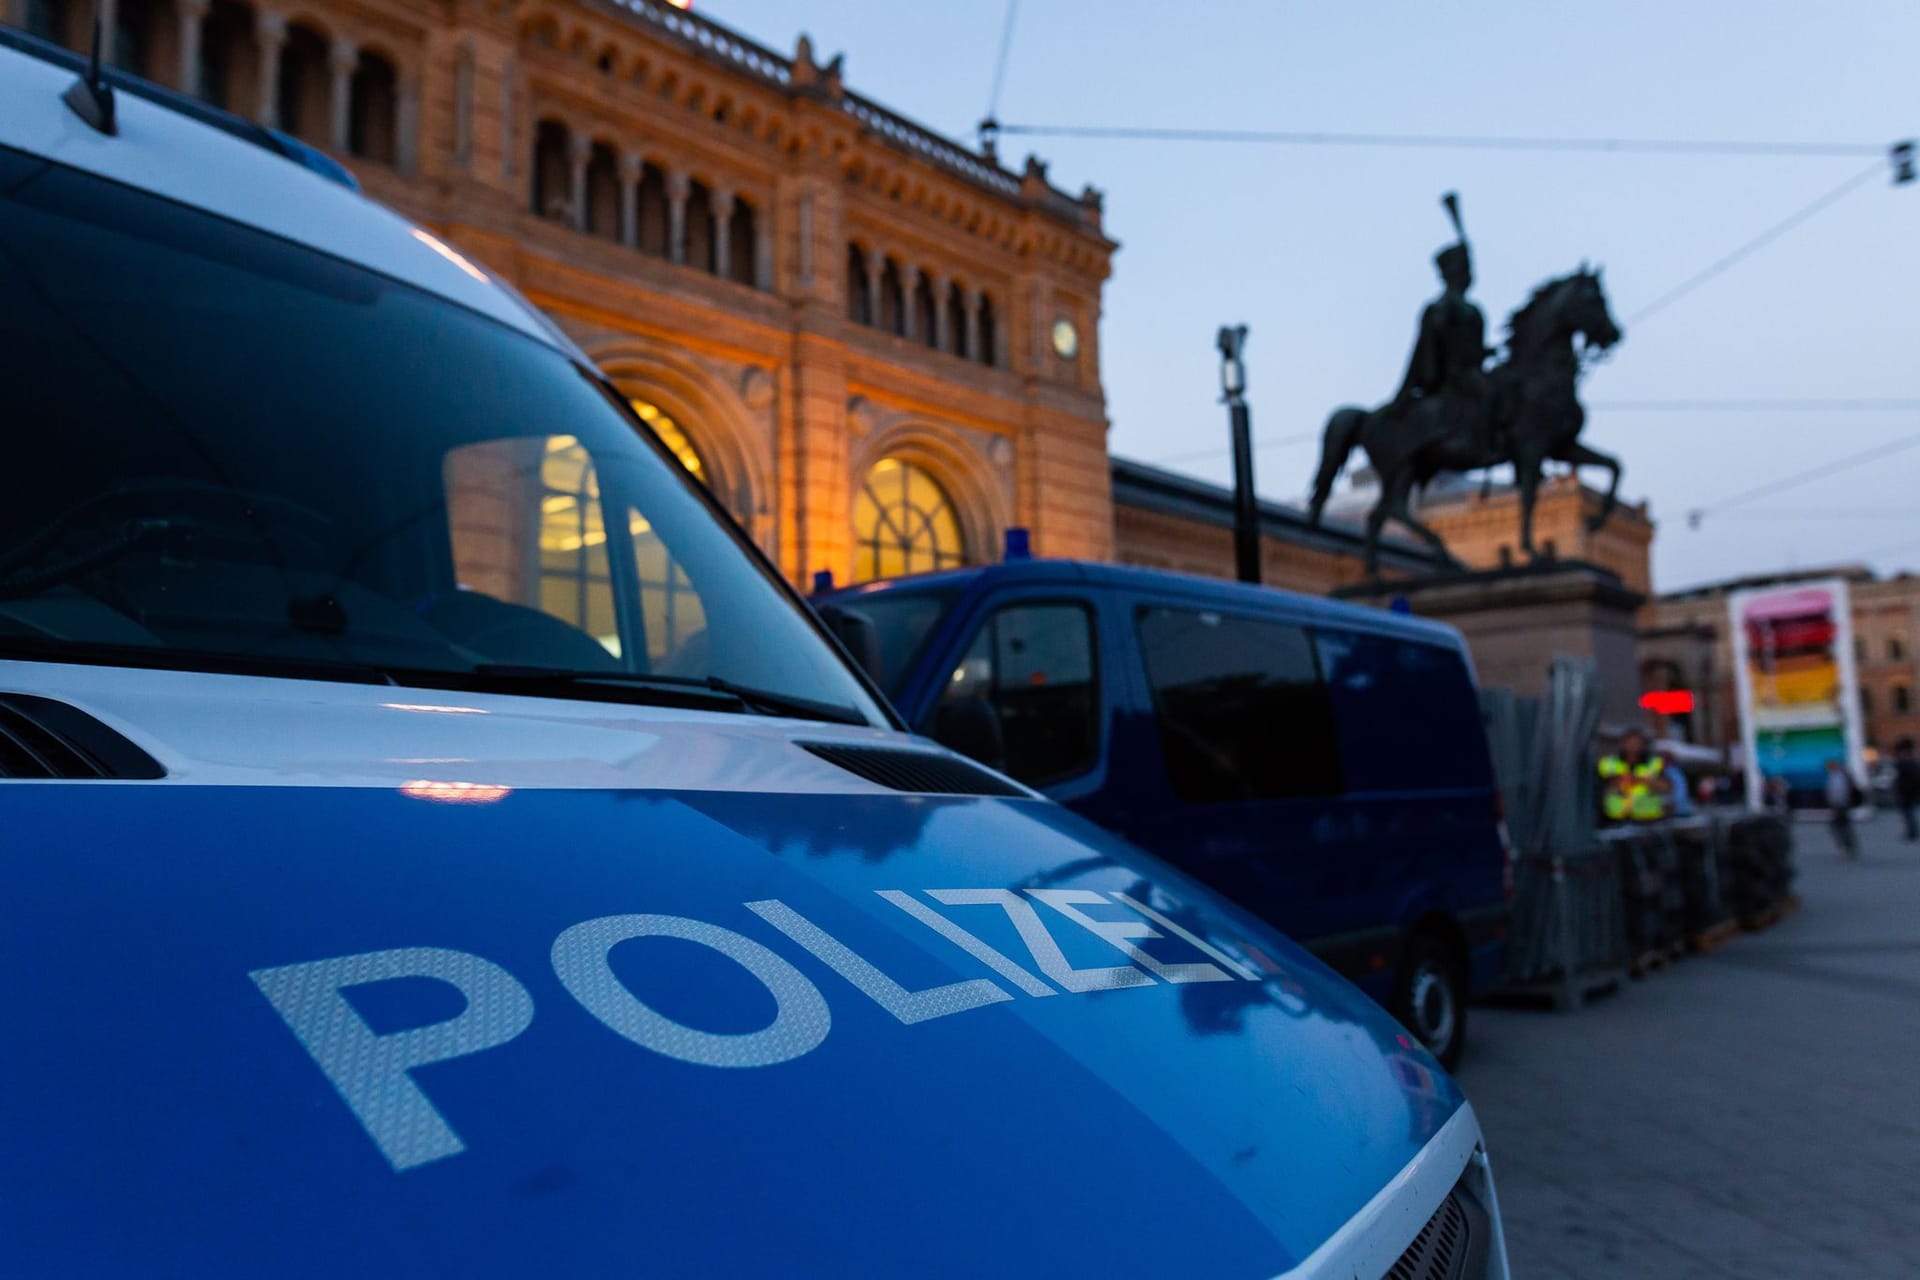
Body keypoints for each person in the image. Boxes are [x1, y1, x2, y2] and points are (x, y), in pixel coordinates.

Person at [1385, 193, 1496, 457]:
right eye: (1466, 268)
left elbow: (1474, 349)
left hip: (1471, 372)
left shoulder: (1472, 311)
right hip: (1455, 378)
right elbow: (1426, 351)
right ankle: (1479, 443)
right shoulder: (1441, 309)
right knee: (1491, 396)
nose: (1471, 273)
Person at [1598, 727, 1672, 823]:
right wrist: (1616, 780)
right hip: (1614, 818)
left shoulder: (1655, 763)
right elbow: (1601, 783)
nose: (1633, 746)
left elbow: (1667, 787)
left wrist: (1648, 781)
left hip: (1647, 819)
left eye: (1637, 743)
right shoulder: (1609, 763)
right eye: (1630, 742)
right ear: (1623, 744)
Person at [1824, 758, 1863, 859]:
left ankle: (1847, 846)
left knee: (1840, 827)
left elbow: (1837, 793)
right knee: (1843, 827)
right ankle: (1848, 846)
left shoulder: (1837, 777)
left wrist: (1835, 806)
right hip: (1841, 805)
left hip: (1840, 806)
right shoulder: (1840, 776)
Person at [1893, 738, 1920, 842]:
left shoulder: (1903, 762)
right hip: (1910, 791)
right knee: (1909, 813)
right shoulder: (1912, 761)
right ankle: (1912, 832)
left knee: (1907, 813)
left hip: (1906, 792)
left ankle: (1911, 832)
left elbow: (1901, 779)